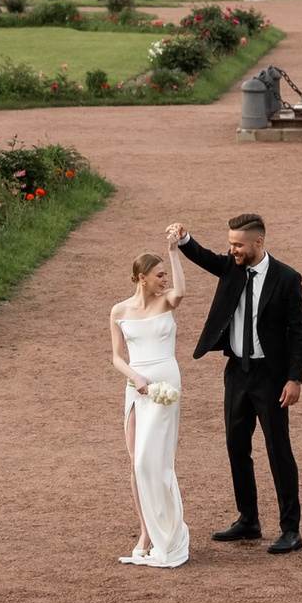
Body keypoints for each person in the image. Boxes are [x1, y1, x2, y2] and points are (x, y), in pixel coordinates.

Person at [167, 213, 302, 553]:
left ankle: (291, 529)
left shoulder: (287, 278)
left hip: (271, 377)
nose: (233, 251)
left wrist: (294, 379)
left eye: (238, 245)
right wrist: (185, 239)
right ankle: (249, 519)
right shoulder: (231, 266)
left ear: (258, 243)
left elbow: (299, 332)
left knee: (278, 451)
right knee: (235, 445)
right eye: (230, 244)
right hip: (236, 372)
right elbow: (205, 259)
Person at [108, 242, 191, 566]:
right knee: (135, 461)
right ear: (142, 278)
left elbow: (181, 292)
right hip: (136, 387)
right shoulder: (119, 311)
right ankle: (145, 531)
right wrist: (136, 378)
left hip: (165, 386)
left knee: (150, 460)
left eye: (166, 274)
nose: (165, 279)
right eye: (159, 275)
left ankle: (166, 532)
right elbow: (116, 356)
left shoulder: (167, 303)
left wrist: (174, 251)